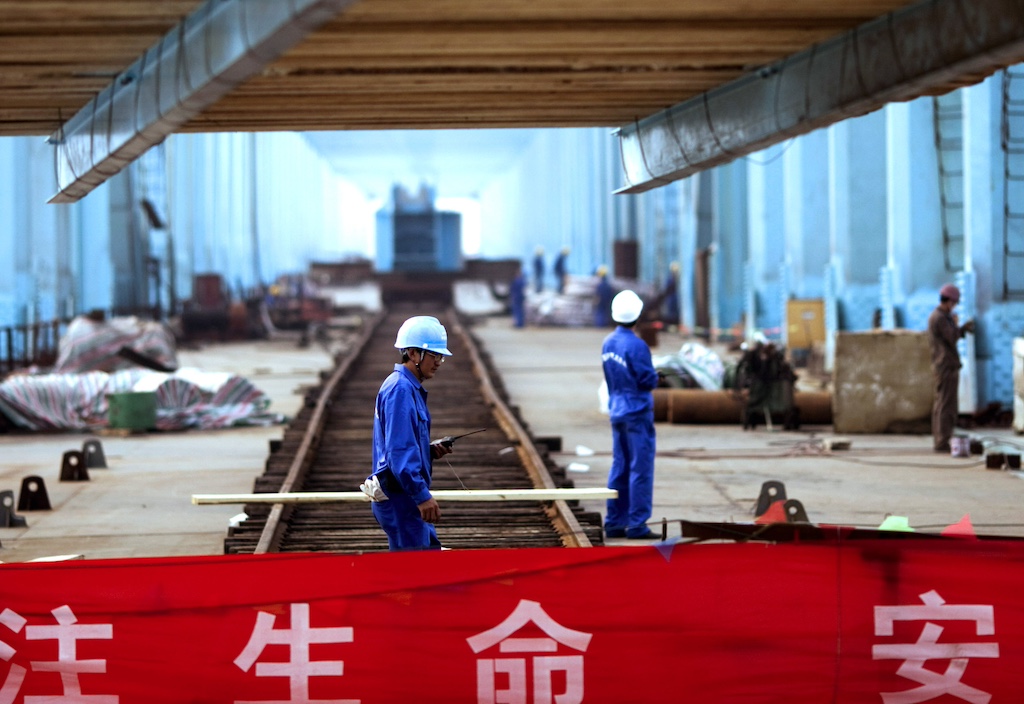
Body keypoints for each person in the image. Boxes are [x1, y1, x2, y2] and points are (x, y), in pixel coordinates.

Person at [364, 315, 454, 550]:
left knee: (426, 563)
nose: (438, 362)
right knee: (416, 574)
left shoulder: (407, 388)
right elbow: (400, 451)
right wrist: (422, 496)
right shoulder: (401, 390)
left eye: (440, 357)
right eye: (434, 355)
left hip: (405, 497)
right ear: (413, 354)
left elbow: (403, 443)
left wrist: (428, 451)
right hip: (401, 498)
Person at [601, 290, 660, 539]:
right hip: (637, 412)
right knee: (640, 468)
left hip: (617, 410)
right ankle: (637, 524)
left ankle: (614, 522)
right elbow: (647, 380)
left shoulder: (608, 342)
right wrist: (657, 376)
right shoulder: (637, 345)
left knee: (620, 465)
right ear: (637, 315)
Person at [927, 283, 975, 453]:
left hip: (943, 365)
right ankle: (942, 441)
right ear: (948, 301)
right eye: (954, 303)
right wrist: (959, 326)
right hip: (946, 365)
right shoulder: (940, 318)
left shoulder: (939, 316)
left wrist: (960, 328)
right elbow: (951, 336)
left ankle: (941, 439)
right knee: (946, 405)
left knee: (942, 403)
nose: (954, 307)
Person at [509, 264, 527, 328]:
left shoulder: (516, 281)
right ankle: (521, 323)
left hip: (516, 297)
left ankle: (519, 324)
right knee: (521, 310)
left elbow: (512, 289)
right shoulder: (522, 281)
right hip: (521, 297)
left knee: (517, 311)